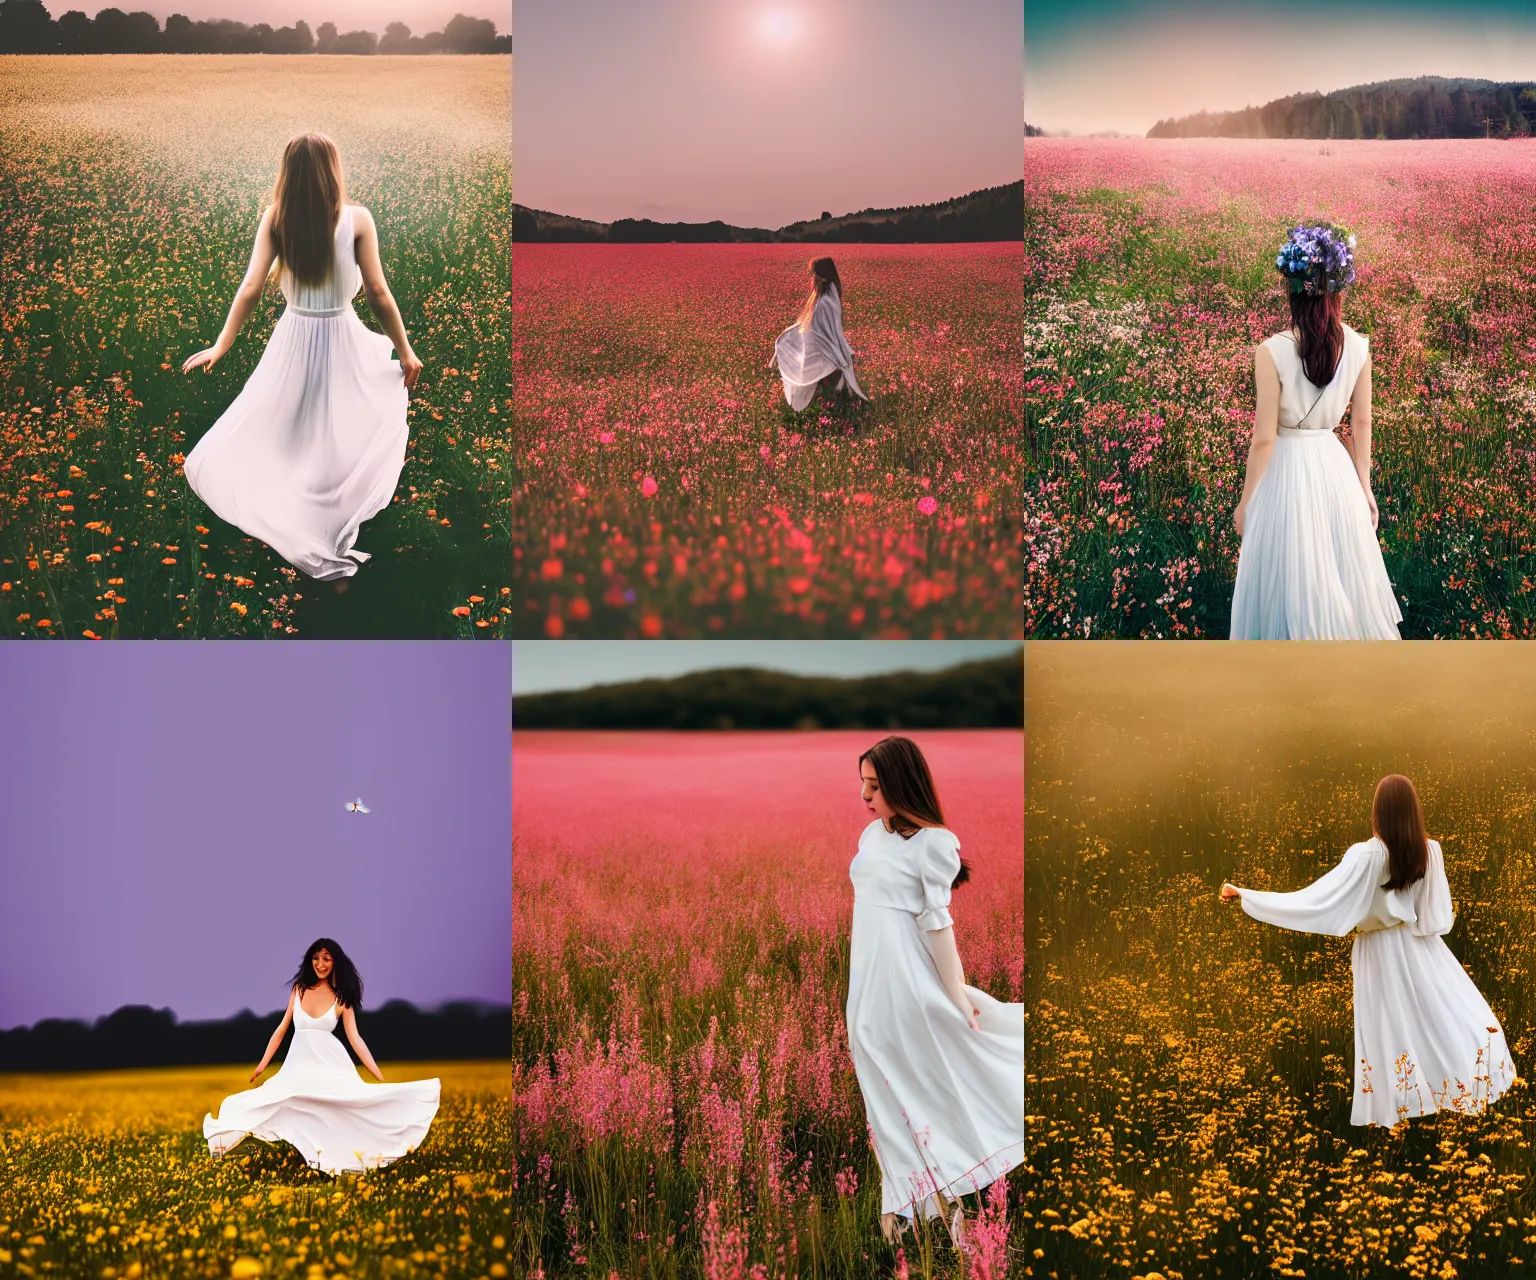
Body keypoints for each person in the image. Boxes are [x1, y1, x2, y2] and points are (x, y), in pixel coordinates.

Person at [182, 132, 423, 583]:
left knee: (285, 426)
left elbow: (252, 287)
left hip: (294, 335)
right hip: (341, 335)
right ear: (333, 172)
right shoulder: (357, 219)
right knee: (339, 433)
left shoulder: (276, 218)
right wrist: (405, 352)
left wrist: (222, 344)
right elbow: (376, 292)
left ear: (287, 175)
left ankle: (293, 518)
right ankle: (330, 534)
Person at [1221, 775, 1514, 1127]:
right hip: (1421, 945)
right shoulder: (1428, 850)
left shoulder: (1366, 855)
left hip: (1378, 950)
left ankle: (1396, 1109)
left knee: (1387, 1024)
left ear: (1378, 811)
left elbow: (1316, 901)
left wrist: (1249, 896)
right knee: (1438, 1016)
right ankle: (1451, 1087)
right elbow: (1435, 919)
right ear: (1412, 811)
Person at [847, 736, 1023, 1245]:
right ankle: (920, 1201)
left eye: (875, 785)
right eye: (862, 783)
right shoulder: (870, 835)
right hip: (868, 978)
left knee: (918, 1080)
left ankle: (927, 1206)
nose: (864, 796)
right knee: (879, 1080)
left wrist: (956, 991)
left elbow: (937, 925)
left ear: (901, 785)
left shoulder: (934, 844)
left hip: (906, 979)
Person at [1229, 221, 1401, 639]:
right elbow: (1362, 422)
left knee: (1289, 579)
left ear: (1293, 287)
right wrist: (1366, 487)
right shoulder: (1358, 346)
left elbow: (1264, 439)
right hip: (1334, 469)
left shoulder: (1271, 351)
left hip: (1287, 473)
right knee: (1341, 575)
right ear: (1337, 288)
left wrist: (1246, 501)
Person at [203, 938, 440, 1174]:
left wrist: (374, 1070)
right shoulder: (299, 990)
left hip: (330, 1063)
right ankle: (241, 1146)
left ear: (335, 962)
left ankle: (343, 1157)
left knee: (339, 1105)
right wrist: (262, 1064)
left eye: (326, 958)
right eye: (316, 958)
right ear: (310, 961)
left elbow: (354, 1038)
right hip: (299, 1064)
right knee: (272, 1100)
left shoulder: (342, 998)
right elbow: (282, 1029)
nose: (320, 963)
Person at [769, 257, 871, 412]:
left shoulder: (826, 301)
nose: (812, 278)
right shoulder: (826, 296)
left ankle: (824, 409)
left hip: (820, 348)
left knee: (808, 376)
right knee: (811, 375)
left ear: (821, 276)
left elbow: (825, 329)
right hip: (818, 346)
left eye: (814, 274)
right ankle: (830, 407)